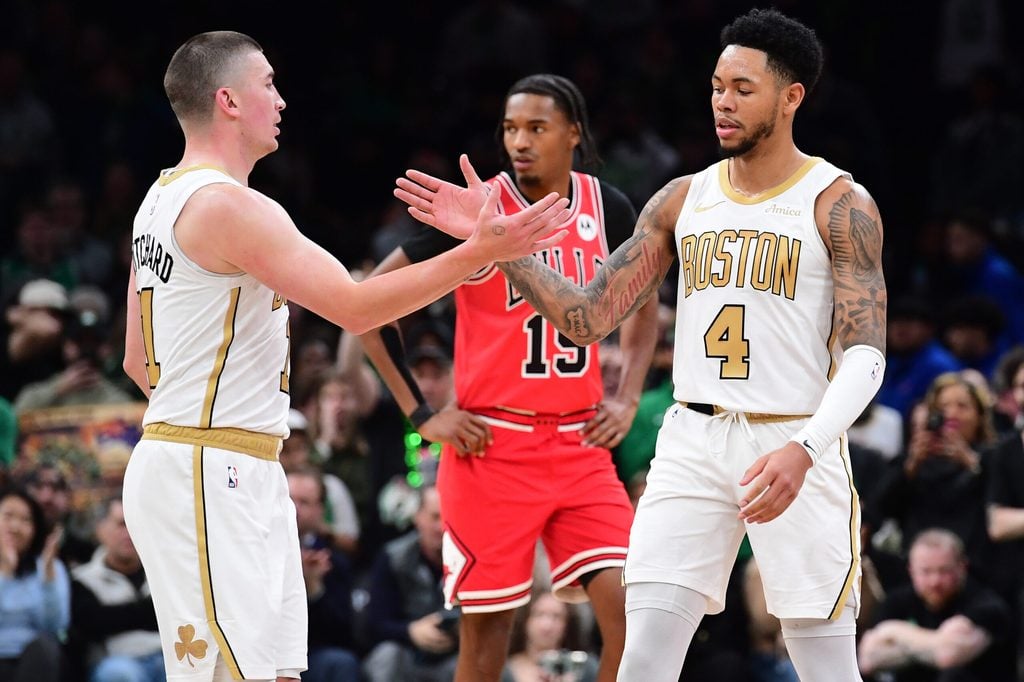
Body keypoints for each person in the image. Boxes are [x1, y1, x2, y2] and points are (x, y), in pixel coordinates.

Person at [393, 10, 888, 681]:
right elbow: (587, 317)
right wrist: (499, 244)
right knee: (643, 656)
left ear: (791, 95)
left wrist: (807, 447)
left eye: (743, 87)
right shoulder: (682, 199)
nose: (723, 100)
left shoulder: (838, 202)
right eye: (717, 85)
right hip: (692, 441)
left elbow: (865, 353)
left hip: (794, 436)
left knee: (824, 662)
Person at [119, 30, 570, 682]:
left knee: (275, 674)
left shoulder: (161, 200)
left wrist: (471, 253)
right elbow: (357, 310)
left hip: (230, 463)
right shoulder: (228, 207)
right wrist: (478, 252)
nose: (279, 97)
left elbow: (140, 361)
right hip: (209, 467)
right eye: (267, 83)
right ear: (228, 101)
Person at [360, 73, 657, 681]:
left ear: (574, 134)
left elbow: (644, 300)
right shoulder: (477, 209)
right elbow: (370, 306)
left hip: (581, 446)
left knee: (636, 612)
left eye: (537, 128)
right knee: (487, 638)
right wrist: (423, 413)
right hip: (492, 447)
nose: (519, 141)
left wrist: (627, 397)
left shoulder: (609, 207)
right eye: (510, 129)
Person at [857, 528, 1014, 681]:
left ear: (962, 567)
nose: (935, 581)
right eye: (926, 571)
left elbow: (946, 655)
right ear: (911, 570)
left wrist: (893, 631)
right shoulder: (897, 601)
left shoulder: (986, 604)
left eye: (944, 571)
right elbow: (868, 659)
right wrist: (935, 642)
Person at [362, 484, 458, 682]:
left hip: (453, 657)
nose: (441, 527)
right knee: (387, 655)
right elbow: (374, 624)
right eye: (434, 517)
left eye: (449, 518)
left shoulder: (470, 561)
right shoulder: (393, 557)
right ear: (418, 517)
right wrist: (411, 631)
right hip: (407, 655)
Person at [69, 496, 163, 682]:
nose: (128, 533)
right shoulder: (84, 579)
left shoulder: (161, 571)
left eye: (133, 524)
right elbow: (91, 623)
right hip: (116, 663)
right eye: (121, 524)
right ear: (100, 530)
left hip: (167, 657)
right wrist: (148, 611)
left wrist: (114, 617)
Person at [286, 467, 361, 682]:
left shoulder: (333, 561)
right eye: (289, 500)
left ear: (320, 510)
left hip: (312, 657)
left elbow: (343, 635)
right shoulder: (256, 550)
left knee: (342, 662)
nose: (295, 509)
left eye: (305, 502)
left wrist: (314, 590)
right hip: (264, 652)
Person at [0, 485, 68, 682]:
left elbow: (56, 627)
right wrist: (5, 574)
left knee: (44, 648)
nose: (15, 527)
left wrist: (48, 580)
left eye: (25, 520)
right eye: (8, 516)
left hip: (34, 660)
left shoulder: (49, 567)